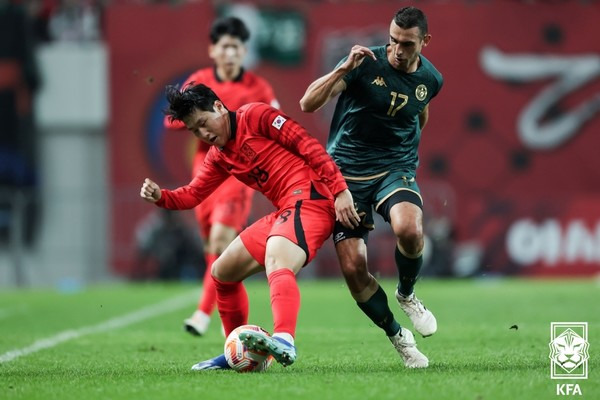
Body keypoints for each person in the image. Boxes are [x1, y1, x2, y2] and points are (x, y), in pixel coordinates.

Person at [141, 83, 369, 370]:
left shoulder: (256, 116)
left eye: (203, 123)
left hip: (313, 200)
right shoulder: (220, 155)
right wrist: (161, 196)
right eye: (195, 131)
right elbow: (194, 194)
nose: (203, 134)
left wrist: (339, 190)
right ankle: (235, 350)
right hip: (287, 211)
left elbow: (307, 145)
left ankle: (284, 339)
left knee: (277, 256)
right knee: (222, 272)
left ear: (220, 107)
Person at [299, 6, 442, 368]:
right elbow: (307, 102)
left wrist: (405, 149)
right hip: (345, 176)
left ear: (424, 42)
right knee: (353, 270)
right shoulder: (365, 63)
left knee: (409, 229)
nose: (396, 49)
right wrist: (342, 68)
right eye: (392, 40)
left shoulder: (432, 79)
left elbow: (419, 110)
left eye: (406, 44)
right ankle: (398, 337)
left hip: (394, 168)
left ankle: (407, 294)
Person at [163, 16, 279, 337]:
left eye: (236, 47)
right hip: (206, 171)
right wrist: (202, 123)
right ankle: (225, 303)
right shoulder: (199, 81)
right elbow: (171, 122)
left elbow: (274, 121)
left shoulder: (258, 87)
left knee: (220, 240)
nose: (230, 53)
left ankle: (203, 312)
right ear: (212, 50)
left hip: (238, 174)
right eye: (224, 47)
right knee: (212, 247)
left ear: (244, 52)